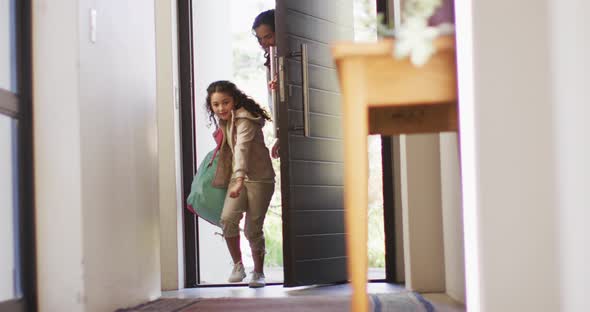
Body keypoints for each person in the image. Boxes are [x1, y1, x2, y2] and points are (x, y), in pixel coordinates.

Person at [206, 80, 275, 288]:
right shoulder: (226, 121)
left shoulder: (245, 119)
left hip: (259, 179)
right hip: (238, 178)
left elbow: (242, 149)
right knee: (227, 219)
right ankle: (238, 265)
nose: (220, 108)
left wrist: (237, 181)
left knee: (252, 229)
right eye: (215, 105)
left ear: (234, 100)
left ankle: (259, 272)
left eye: (225, 103)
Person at [252, 9, 280, 158]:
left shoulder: (283, 60)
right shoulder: (271, 61)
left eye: (268, 37)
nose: (263, 43)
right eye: (259, 39)